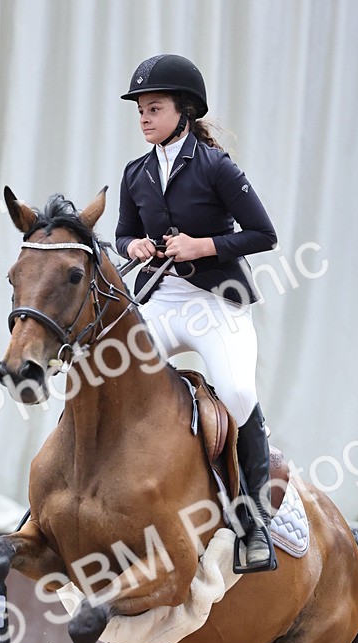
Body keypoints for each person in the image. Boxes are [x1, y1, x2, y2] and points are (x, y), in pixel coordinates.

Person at [116, 53, 279, 572]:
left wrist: (202, 245)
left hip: (215, 300)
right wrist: (134, 247)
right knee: (108, 370)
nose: (143, 117)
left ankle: (254, 523)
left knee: (235, 391)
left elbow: (263, 235)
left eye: (154, 107)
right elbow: (122, 232)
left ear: (183, 111)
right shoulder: (136, 172)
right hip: (162, 297)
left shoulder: (217, 167)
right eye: (140, 108)